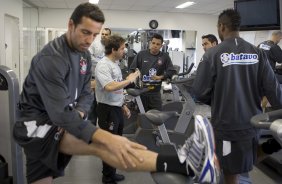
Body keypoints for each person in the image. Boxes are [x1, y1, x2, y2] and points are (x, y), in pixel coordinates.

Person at [12, 3, 220, 184]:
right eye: (86, 32)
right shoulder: (51, 59)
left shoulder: (83, 55)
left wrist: (81, 114)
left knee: (46, 176)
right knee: (108, 145)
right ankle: (186, 164)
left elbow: (86, 92)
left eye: (95, 34)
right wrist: (102, 135)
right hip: (37, 129)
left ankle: (186, 164)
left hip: (61, 123)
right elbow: (60, 114)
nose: (90, 39)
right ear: (70, 25)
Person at [192, 9, 282, 184]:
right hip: (252, 123)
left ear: (222, 26)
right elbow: (274, 92)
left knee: (229, 171)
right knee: (245, 158)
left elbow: (198, 93)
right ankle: (268, 148)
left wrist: (218, 98)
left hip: (227, 126)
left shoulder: (212, 54)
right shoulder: (258, 53)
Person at [95, 35, 140, 183]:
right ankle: (107, 177)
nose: (124, 50)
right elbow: (109, 87)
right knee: (109, 144)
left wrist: (123, 105)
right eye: (121, 48)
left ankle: (111, 172)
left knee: (117, 142)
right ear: (113, 49)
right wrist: (130, 79)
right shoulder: (103, 65)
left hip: (115, 108)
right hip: (106, 110)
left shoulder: (115, 64)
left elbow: (117, 89)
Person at [129, 33, 177, 112]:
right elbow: (132, 69)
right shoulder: (141, 54)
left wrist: (160, 77)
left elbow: (171, 71)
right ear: (150, 43)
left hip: (155, 93)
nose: (155, 45)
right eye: (153, 43)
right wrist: (134, 78)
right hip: (142, 92)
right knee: (141, 116)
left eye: (158, 44)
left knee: (157, 117)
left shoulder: (164, 56)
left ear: (161, 46)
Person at [88, 27, 112, 126]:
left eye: (106, 34)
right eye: (102, 34)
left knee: (104, 106)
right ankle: (91, 130)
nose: (104, 36)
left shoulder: (112, 47)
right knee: (92, 106)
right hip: (94, 79)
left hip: (107, 81)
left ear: (110, 36)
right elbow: (89, 57)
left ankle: (105, 130)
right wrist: (102, 62)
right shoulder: (95, 44)